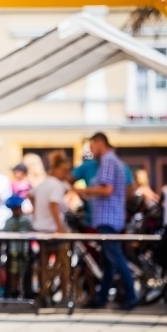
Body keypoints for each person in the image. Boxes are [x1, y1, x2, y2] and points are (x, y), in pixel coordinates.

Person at [74, 132, 138, 310]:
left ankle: (131, 296)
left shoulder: (107, 161)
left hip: (108, 217)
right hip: (112, 216)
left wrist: (83, 192)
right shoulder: (115, 161)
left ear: (98, 142)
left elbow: (106, 189)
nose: (91, 151)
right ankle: (101, 298)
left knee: (115, 258)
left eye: (91, 146)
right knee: (109, 261)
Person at [30, 151, 71, 302]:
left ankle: (44, 291)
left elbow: (31, 195)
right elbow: (53, 204)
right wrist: (60, 226)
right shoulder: (56, 185)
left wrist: (36, 214)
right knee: (64, 264)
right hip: (53, 230)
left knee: (43, 263)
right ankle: (65, 295)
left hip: (40, 228)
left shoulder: (43, 184)